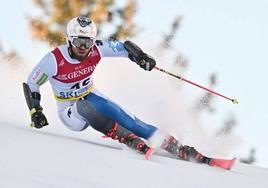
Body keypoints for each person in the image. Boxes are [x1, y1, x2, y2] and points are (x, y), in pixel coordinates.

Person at [23, 16, 211, 163]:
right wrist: (35, 110)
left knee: (131, 121)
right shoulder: (54, 60)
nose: (83, 48)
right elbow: (32, 83)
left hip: (91, 95)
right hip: (69, 111)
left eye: (88, 42)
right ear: (69, 40)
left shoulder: (97, 49)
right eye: (79, 42)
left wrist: (141, 57)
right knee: (83, 107)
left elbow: (123, 47)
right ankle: (124, 137)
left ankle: (177, 147)